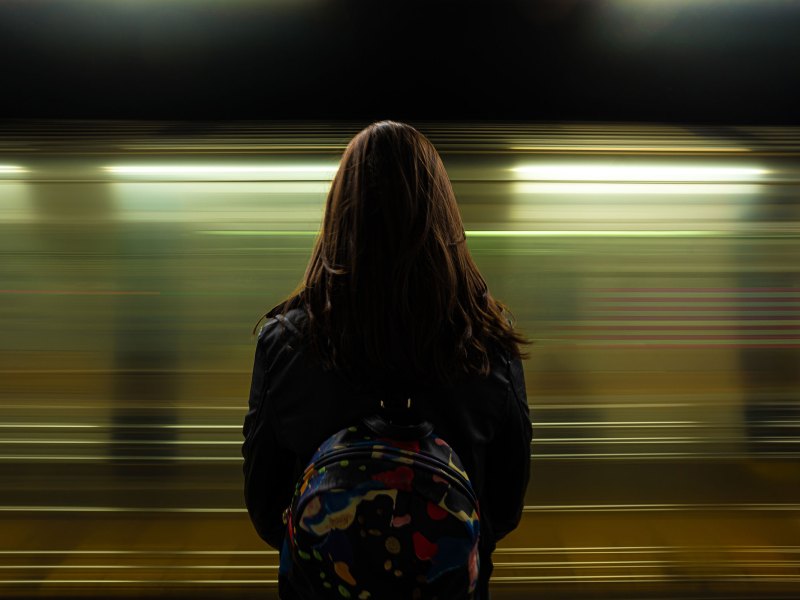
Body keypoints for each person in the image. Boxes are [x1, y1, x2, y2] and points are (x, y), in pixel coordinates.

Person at [242, 121, 531, 599]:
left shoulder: (284, 343)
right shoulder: (488, 344)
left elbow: (265, 508)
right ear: (442, 216)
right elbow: (503, 509)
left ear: (339, 216)